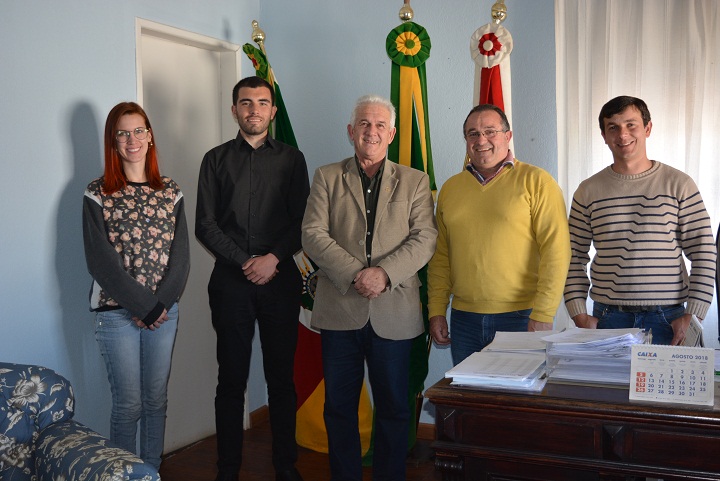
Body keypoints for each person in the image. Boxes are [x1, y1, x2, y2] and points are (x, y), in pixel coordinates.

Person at [301, 94, 437, 481]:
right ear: (351, 131)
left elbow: (425, 238)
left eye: (379, 125)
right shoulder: (327, 176)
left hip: (394, 312)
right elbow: (312, 234)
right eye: (364, 123)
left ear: (392, 133)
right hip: (340, 310)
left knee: (394, 407)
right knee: (339, 408)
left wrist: (384, 274)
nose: (371, 131)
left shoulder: (414, 181)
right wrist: (356, 273)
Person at [195, 76, 309, 481]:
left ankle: (286, 466)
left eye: (262, 103)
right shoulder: (215, 160)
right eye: (246, 103)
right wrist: (247, 261)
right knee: (231, 379)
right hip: (231, 283)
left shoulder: (293, 160)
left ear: (272, 111)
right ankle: (227, 470)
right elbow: (205, 225)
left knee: (281, 379)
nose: (254, 110)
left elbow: (303, 222)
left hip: (280, 282)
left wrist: (273, 259)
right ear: (234, 110)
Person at [82, 101, 190, 469]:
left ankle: (150, 472)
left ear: (150, 136)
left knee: (156, 401)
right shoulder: (97, 192)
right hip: (116, 315)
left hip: (164, 313)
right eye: (123, 133)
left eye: (139, 131)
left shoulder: (170, 191)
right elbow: (100, 261)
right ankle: (123, 475)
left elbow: (181, 258)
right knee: (128, 405)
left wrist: (159, 306)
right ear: (113, 143)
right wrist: (143, 306)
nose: (132, 140)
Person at [564, 96, 717, 345]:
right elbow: (572, 256)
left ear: (647, 128)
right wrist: (579, 314)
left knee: (671, 385)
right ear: (603, 135)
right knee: (606, 386)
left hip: (670, 319)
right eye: (613, 127)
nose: (622, 135)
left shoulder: (679, 184)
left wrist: (694, 315)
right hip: (607, 318)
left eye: (631, 125)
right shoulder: (587, 191)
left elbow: (703, 251)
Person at [427, 104, 571, 365]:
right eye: (472, 134)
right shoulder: (450, 189)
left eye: (490, 131)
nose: (481, 140)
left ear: (508, 136)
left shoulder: (537, 182)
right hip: (463, 320)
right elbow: (440, 258)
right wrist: (437, 310)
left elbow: (557, 252)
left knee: (516, 404)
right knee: (469, 402)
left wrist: (544, 313)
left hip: (522, 318)